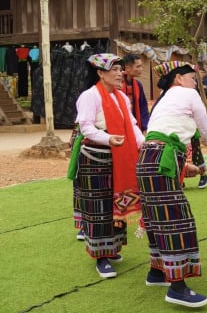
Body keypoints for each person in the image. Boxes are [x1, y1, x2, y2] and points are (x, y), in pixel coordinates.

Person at [136, 61, 207, 308]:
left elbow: (162, 135)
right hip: (163, 159)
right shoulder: (186, 93)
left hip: (147, 159)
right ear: (178, 79)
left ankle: (157, 272)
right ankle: (177, 287)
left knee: (156, 216)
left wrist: (183, 166)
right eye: (192, 77)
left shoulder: (163, 99)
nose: (195, 83)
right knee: (176, 219)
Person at [68, 53, 144, 279]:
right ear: (100, 73)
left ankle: (111, 249)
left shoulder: (122, 97)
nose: (121, 73)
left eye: (121, 69)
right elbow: (86, 127)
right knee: (99, 207)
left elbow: (131, 124)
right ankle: (100, 257)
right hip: (95, 158)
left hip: (120, 155)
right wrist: (107, 138)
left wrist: (144, 144)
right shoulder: (89, 96)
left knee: (115, 203)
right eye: (115, 70)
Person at [122, 53, 150, 132]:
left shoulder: (138, 85)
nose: (141, 69)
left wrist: (145, 127)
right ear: (127, 68)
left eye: (141, 66)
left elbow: (143, 108)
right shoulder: (117, 85)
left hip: (136, 126)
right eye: (138, 66)